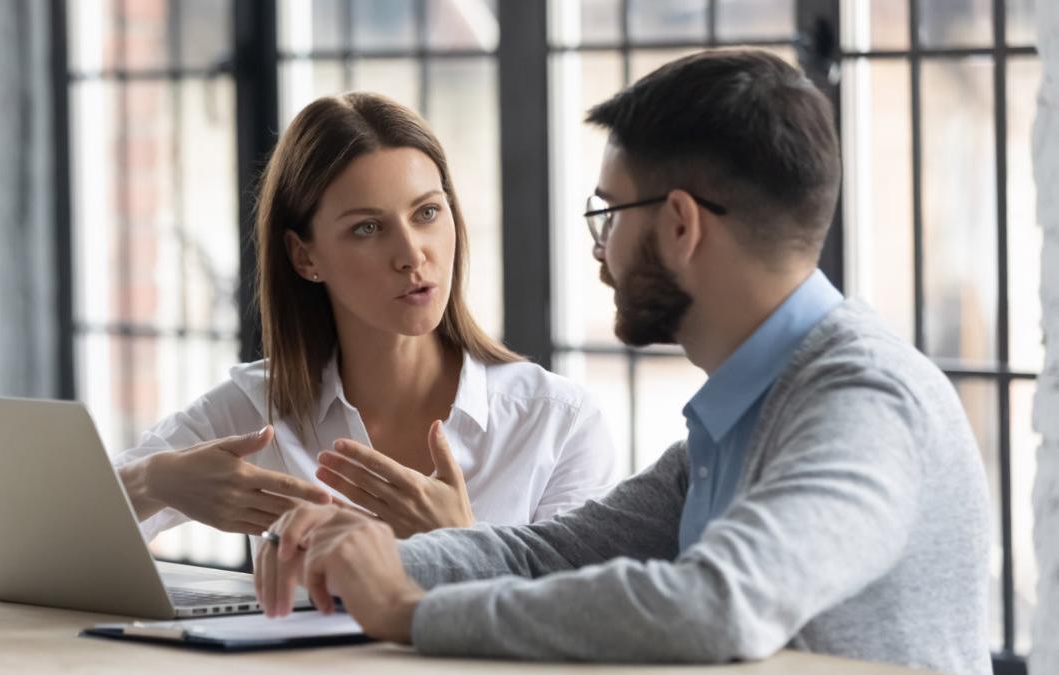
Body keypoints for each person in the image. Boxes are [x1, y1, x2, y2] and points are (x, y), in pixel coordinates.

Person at [253, 50, 991, 675]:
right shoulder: (746, 413)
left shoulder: (862, 398)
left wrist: (411, 610)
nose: (599, 248)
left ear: (679, 224)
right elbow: (550, 554)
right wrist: (360, 554)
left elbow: (717, 604)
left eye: (609, 214)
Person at [114, 92, 616, 544]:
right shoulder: (257, 412)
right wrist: (155, 482)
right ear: (304, 257)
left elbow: (574, 621)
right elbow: (47, 529)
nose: (411, 254)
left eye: (426, 213)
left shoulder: (556, 422)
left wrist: (460, 541)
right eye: (368, 228)